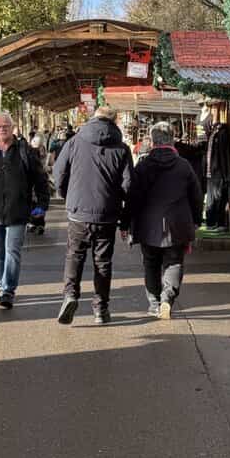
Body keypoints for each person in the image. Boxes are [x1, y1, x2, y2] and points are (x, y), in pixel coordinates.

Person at [52, 103, 133, 326]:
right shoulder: (122, 149)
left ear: (93, 118)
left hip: (78, 212)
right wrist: (123, 213)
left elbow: (58, 173)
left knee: (75, 255)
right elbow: (129, 186)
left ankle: (70, 295)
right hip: (107, 214)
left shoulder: (75, 142)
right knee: (103, 262)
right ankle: (101, 310)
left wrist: (68, 195)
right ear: (115, 121)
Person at [0, 112, 49, 308]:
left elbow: (40, 180)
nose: (1, 129)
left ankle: (8, 290)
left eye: (5, 126)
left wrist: (41, 205)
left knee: (12, 250)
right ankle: (1, 285)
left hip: (18, 211)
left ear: (12, 128)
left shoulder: (26, 152)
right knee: (0, 253)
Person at [125, 120, 203, 321]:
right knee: (174, 262)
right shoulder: (183, 166)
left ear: (152, 141)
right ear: (173, 140)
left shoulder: (143, 166)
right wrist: (196, 220)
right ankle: (167, 298)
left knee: (151, 263)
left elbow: (133, 197)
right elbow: (196, 196)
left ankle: (154, 304)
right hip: (177, 225)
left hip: (147, 226)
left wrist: (125, 223)